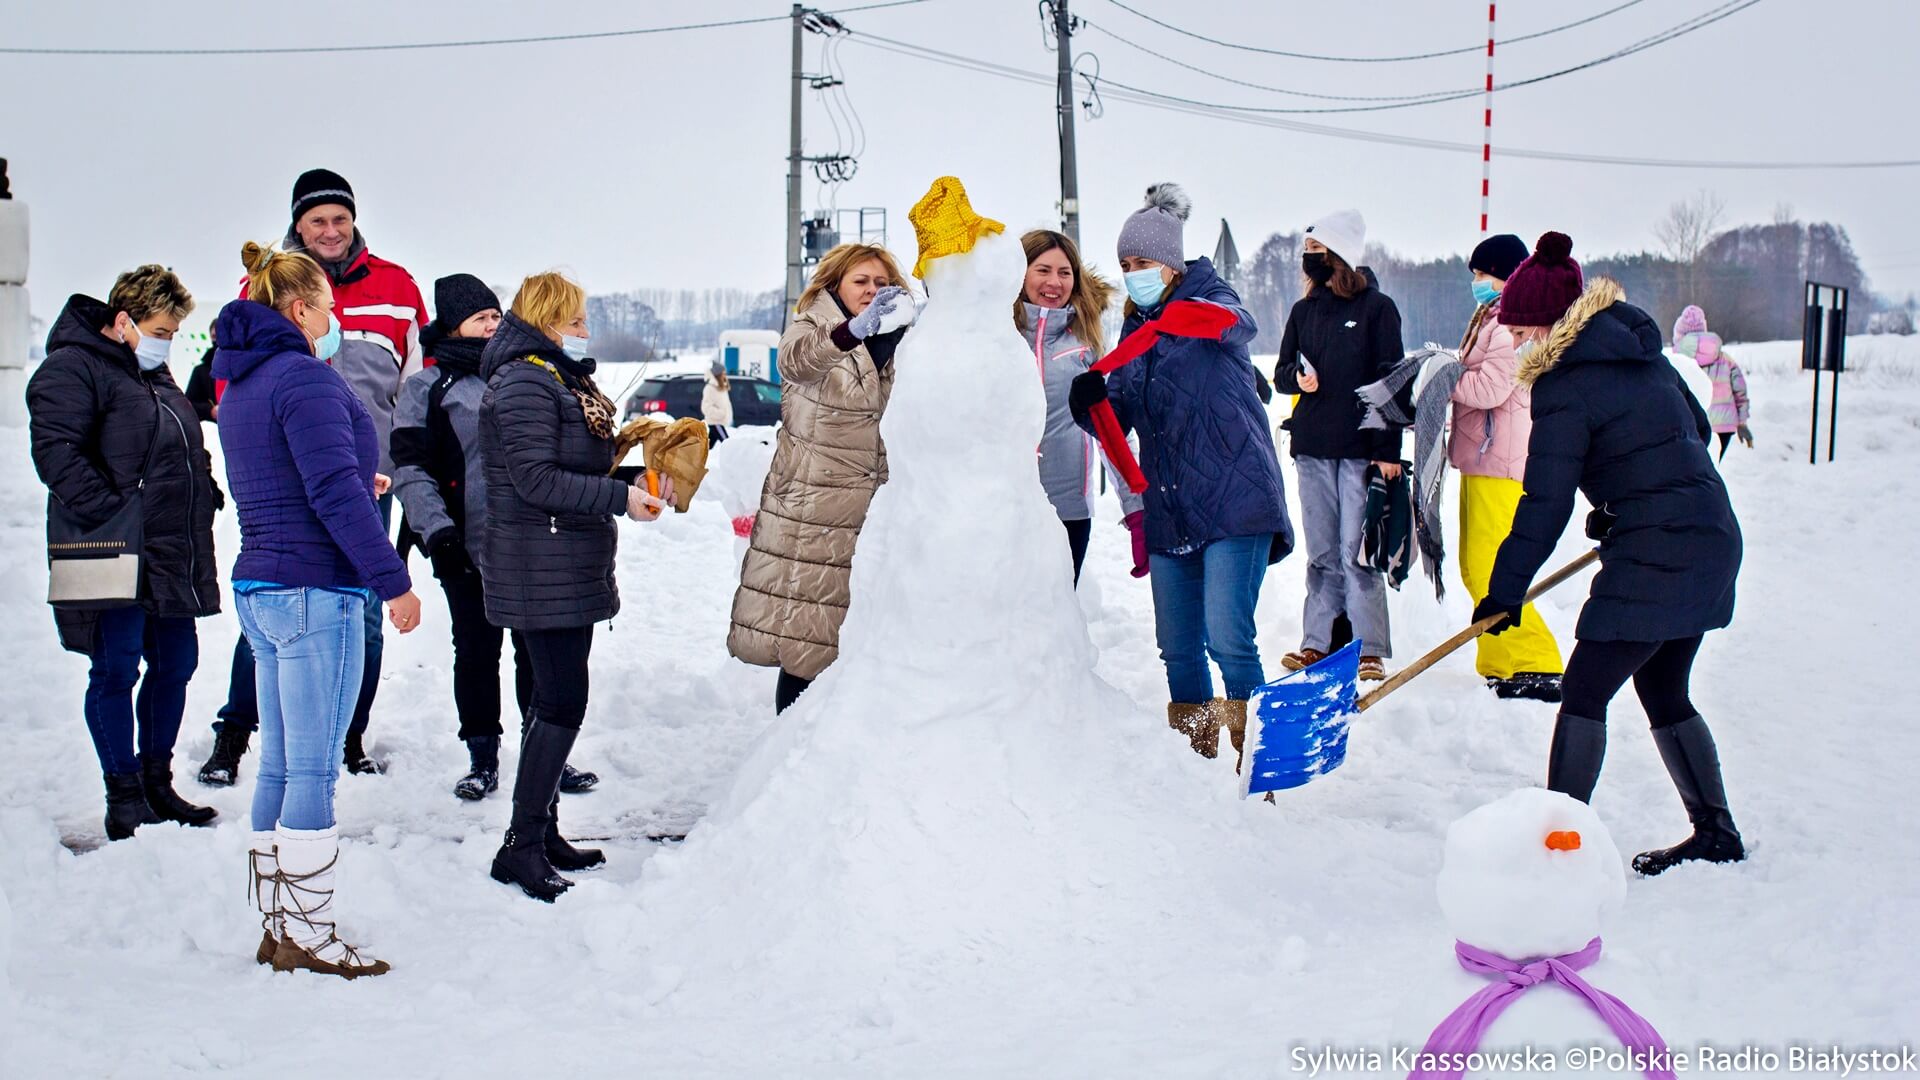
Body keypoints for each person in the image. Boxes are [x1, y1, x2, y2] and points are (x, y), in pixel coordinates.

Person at [1474, 232, 1745, 877]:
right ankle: (1716, 832)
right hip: (1709, 536)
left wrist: (1504, 590)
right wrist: (1623, 500)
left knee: (1584, 690)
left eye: (1521, 330)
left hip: (1658, 551)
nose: (1516, 340)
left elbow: (1544, 504)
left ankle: (1557, 851)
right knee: (1663, 685)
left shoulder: (1564, 385)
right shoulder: (1641, 353)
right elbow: (1693, 431)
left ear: (1548, 325)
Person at [215, 241, 423, 977]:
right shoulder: (305, 379)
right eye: (330, 310)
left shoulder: (243, 381)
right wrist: (392, 581)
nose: (336, 322)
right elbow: (331, 495)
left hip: (263, 588)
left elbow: (287, 475)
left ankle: (279, 924)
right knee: (312, 771)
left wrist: (357, 480)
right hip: (314, 591)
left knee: (278, 764)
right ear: (300, 310)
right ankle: (308, 933)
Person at [197, 168, 428, 784]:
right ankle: (235, 735)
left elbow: (415, 388)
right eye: (317, 220)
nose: (330, 230)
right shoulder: (264, 285)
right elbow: (233, 380)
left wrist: (401, 465)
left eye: (340, 218)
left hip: (366, 476)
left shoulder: (397, 286)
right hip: (289, 481)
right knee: (281, 603)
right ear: (298, 225)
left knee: (363, 614)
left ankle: (346, 736)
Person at [1068, 184, 1293, 766]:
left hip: (1235, 498)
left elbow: (1236, 324)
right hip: (1170, 506)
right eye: (1124, 265)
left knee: (1228, 638)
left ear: (1170, 263)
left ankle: (1258, 764)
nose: (1132, 274)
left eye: (1141, 262)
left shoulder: (1212, 300)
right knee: (1177, 647)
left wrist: (1171, 321)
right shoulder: (1135, 331)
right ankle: (1196, 764)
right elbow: (1120, 417)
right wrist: (1091, 404)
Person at [478, 271, 671, 901]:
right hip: (540, 564)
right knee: (562, 702)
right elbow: (536, 479)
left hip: (560, 560)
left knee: (549, 702)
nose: (585, 327)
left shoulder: (554, 377)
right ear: (549, 318)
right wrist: (620, 497)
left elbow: (574, 464)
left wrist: (638, 474)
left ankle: (544, 832)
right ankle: (520, 847)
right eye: (576, 317)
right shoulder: (525, 382)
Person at [27, 269, 220, 840]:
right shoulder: (72, 366)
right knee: (116, 669)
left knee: (176, 663)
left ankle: (158, 782)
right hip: (112, 548)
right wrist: (115, 511)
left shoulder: (153, 371)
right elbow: (56, 452)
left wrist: (203, 486)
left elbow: (181, 438)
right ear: (122, 322)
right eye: (161, 330)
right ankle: (125, 795)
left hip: (169, 546)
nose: (168, 341)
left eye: (174, 332)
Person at [728, 244, 915, 715]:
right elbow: (796, 362)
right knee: (808, 641)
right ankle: (788, 747)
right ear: (835, 284)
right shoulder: (813, 325)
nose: (871, 291)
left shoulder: (900, 339)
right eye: (861, 281)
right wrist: (854, 330)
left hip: (870, 511)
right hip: (813, 512)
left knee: (853, 639)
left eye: (881, 283)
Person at [391, 274, 547, 801]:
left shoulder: (521, 374)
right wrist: (438, 535)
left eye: (496, 316)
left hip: (527, 543)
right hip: (465, 546)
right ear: (454, 326)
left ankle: (544, 752)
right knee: (477, 652)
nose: (492, 326)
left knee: (536, 652)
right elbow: (411, 469)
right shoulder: (427, 387)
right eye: (480, 318)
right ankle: (483, 757)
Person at [1272, 210, 1408, 683]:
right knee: (1321, 553)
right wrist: (1297, 379)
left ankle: (1368, 648)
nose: (1307, 258)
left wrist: (1388, 451)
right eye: (1306, 250)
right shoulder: (1303, 311)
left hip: (1360, 450)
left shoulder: (1378, 308)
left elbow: (1392, 382)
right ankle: (1317, 641)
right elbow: (1281, 372)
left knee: (1356, 552)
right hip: (1311, 447)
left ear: (1338, 253)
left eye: (1315, 249)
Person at [1450, 233, 1565, 702]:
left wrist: (1445, 379)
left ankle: (1537, 659)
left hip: (1499, 463)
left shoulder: (1504, 326)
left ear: (1506, 276)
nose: (1477, 281)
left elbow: (1492, 389)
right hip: (1480, 459)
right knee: (1475, 567)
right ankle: (1501, 660)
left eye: (1484, 273)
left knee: (1493, 567)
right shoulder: (1489, 319)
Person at [1014, 228, 1146, 584]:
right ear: (1019, 273)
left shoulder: (1085, 342)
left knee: (1056, 608)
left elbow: (1110, 429)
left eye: (1064, 272)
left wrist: (1135, 508)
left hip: (1069, 509)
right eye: (1043, 270)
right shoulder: (997, 337)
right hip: (1003, 507)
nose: (1054, 282)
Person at [1670, 304, 1753, 461]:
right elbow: (1740, 391)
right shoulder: (1725, 359)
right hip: (1724, 425)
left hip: (1693, 424)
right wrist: (1742, 422)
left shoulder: (1676, 360)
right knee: (1713, 467)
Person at [703, 357, 733, 447]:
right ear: (718, 375)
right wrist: (720, 413)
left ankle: (697, 455)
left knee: (708, 446)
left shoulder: (721, 387)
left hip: (719, 421)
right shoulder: (710, 388)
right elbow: (706, 407)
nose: (725, 375)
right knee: (727, 443)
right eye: (723, 373)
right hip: (716, 422)